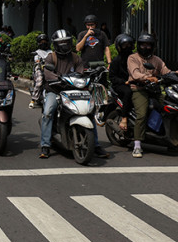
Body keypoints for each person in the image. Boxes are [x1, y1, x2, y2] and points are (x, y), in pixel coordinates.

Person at [39, 29, 109, 160]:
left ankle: (96, 144)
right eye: (61, 43)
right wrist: (58, 79)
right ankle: (45, 145)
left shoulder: (76, 57)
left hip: (74, 90)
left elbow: (80, 72)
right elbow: (48, 74)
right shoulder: (51, 57)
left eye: (66, 42)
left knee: (89, 112)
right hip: (55, 90)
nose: (64, 45)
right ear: (55, 44)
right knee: (48, 112)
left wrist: (87, 76)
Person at [127, 33, 171, 158]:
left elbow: (165, 71)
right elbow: (135, 74)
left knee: (169, 107)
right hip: (138, 88)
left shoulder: (156, 59)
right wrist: (148, 77)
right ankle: (137, 145)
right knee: (142, 113)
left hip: (154, 90)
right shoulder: (132, 58)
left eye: (148, 45)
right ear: (138, 45)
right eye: (143, 44)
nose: (145, 47)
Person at [108, 33, 135, 133]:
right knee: (128, 92)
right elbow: (112, 77)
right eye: (124, 45)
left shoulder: (135, 58)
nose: (127, 47)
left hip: (135, 82)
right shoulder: (116, 61)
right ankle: (124, 118)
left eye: (129, 45)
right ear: (119, 47)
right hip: (120, 85)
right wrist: (124, 81)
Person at [29, 32, 52, 108]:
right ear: (38, 43)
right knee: (39, 82)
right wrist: (39, 62)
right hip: (39, 69)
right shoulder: (37, 52)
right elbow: (36, 61)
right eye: (41, 42)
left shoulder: (51, 52)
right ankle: (33, 100)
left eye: (45, 42)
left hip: (50, 69)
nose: (43, 43)